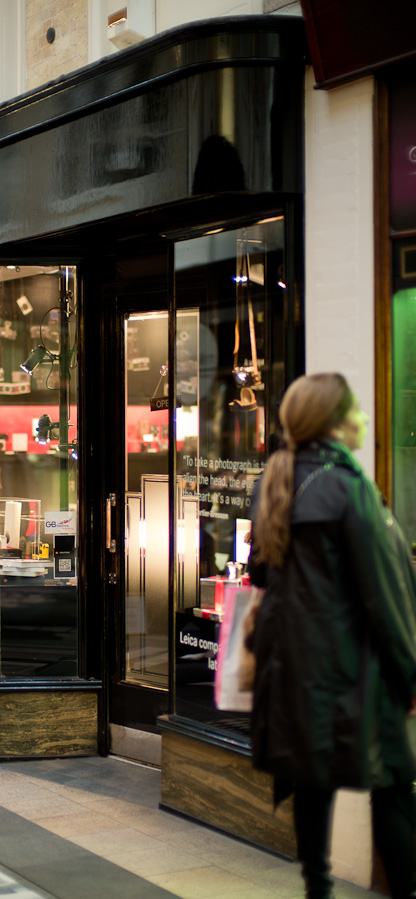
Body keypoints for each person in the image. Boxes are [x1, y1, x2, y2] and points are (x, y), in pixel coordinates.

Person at [248, 372, 416, 899]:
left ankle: (317, 891)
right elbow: (384, 598)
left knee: (313, 786)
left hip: (294, 673)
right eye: (358, 411)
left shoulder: (275, 482)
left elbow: (261, 573)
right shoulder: (349, 490)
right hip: (357, 673)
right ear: (337, 423)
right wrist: (409, 674)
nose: (365, 419)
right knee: (390, 788)